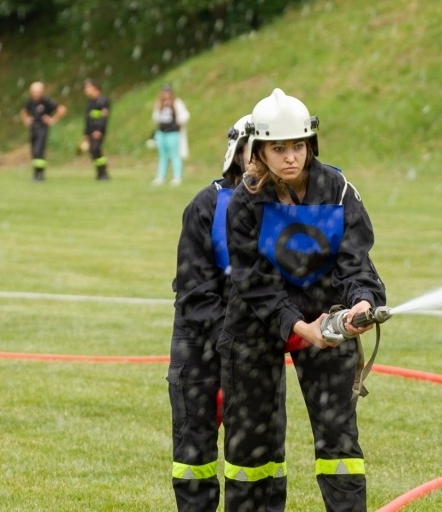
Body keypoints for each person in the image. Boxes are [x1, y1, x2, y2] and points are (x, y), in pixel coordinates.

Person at [218, 89, 386, 511]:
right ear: (259, 149)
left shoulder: (338, 190)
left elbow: (355, 261)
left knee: (339, 441)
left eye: (298, 146)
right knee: (251, 444)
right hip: (256, 323)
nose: (291, 157)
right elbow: (252, 281)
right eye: (279, 148)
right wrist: (298, 326)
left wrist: (362, 303)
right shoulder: (245, 201)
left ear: (310, 144)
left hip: (327, 314)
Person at [169, 115, 290, 512]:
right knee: (195, 454)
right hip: (200, 343)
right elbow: (195, 293)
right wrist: (233, 342)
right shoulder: (205, 207)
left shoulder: (286, 209)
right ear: (240, 153)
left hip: (257, 346)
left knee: (263, 455)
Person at [19, 81, 66, 181]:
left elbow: (61, 109)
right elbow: (23, 112)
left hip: (42, 128)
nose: (36, 94)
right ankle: (36, 173)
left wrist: (53, 120)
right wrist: (26, 120)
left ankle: (40, 174)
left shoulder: (46, 101)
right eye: (34, 92)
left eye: (38, 91)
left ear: (42, 91)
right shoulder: (30, 102)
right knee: (34, 152)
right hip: (33, 128)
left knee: (39, 150)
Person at [152, 84, 190, 186]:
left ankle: (177, 176)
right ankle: (161, 176)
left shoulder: (176, 103)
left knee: (174, 155)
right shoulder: (159, 104)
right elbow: (156, 116)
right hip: (162, 132)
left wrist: (178, 122)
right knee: (163, 155)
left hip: (173, 132)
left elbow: (185, 115)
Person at [83, 78, 110, 180]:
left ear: (95, 88)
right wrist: (85, 134)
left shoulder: (103, 100)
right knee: (92, 151)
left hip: (98, 131)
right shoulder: (90, 102)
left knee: (96, 149)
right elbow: (87, 119)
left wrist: (99, 130)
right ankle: (99, 172)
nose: (86, 90)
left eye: (87, 87)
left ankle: (103, 173)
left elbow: (104, 117)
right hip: (90, 131)